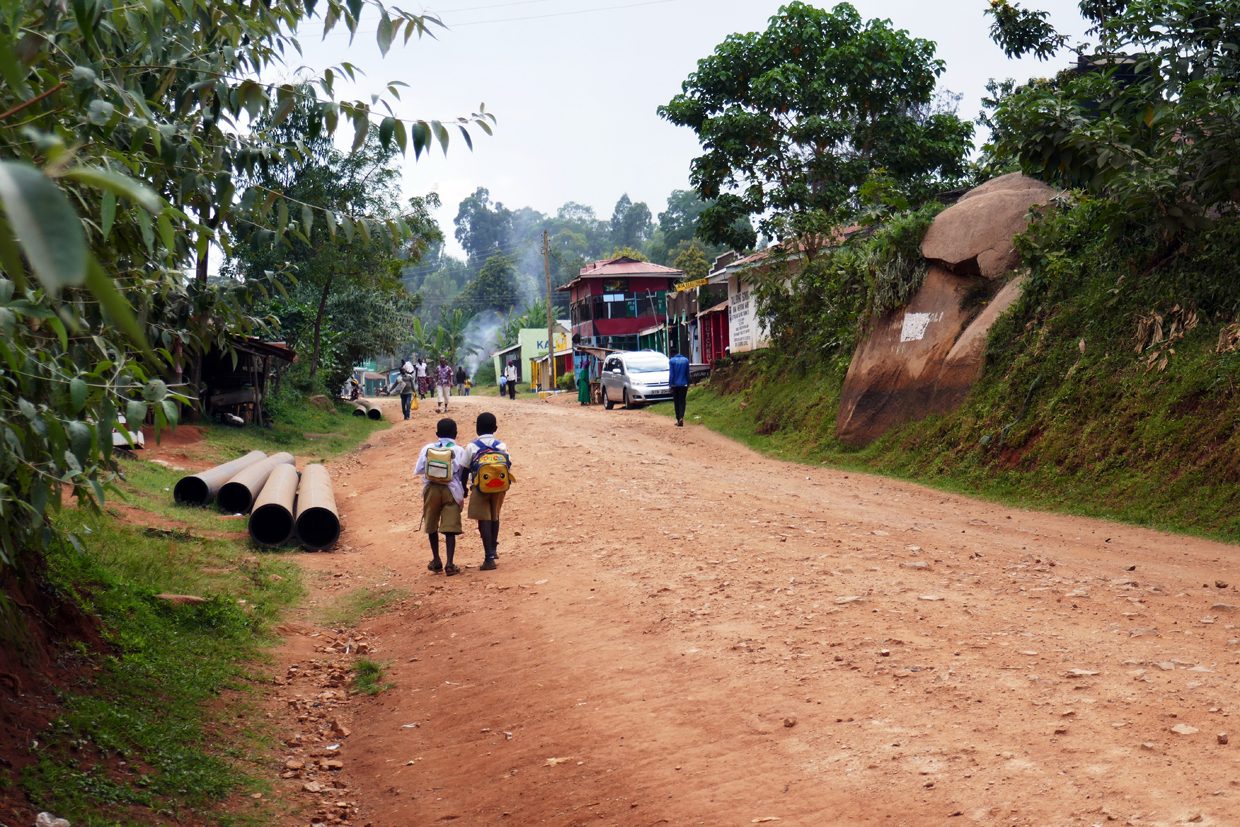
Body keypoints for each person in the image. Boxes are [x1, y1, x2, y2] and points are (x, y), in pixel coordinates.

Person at [414, 418, 467, 576]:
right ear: (455, 434)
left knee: (432, 523)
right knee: (450, 527)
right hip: (451, 490)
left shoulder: (427, 448)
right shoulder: (458, 450)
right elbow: (463, 474)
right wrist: (464, 490)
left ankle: (436, 560)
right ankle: (450, 563)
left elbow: (419, 469)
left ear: (437, 434)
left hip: (431, 489)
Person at [462, 411, 512, 571]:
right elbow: (508, 465)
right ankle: (493, 549)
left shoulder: (471, 446)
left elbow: (464, 469)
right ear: (495, 428)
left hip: (480, 487)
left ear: (477, 429)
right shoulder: (501, 445)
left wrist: (463, 488)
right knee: (495, 516)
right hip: (499, 487)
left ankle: (488, 557)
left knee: (483, 519)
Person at [669, 347, 690, 426]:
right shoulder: (686, 360)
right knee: (682, 401)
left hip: (675, 385)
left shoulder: (672, 361)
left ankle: (678, 419)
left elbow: (672, 375)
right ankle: (681, 417)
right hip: (684, 384)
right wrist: (688, 383)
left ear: (672, 354)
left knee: (676, 402)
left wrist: (670, 384)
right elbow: (687, 373)